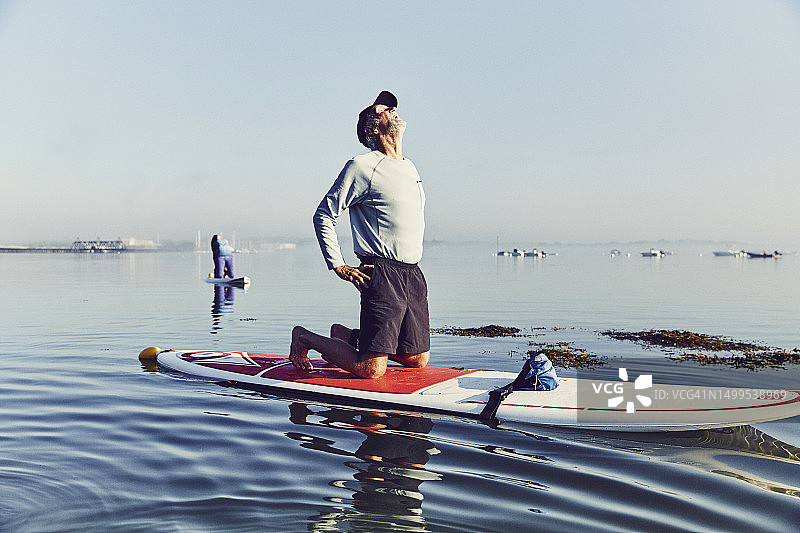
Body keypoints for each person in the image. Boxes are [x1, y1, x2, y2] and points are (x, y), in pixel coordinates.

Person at [289, 91, 430, 379]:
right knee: (372, 369)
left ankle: (348, 337)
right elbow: (324, 214)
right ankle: (304, 337)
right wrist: (338, 264)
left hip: (412, 273)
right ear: (371, 129)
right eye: (383, 109)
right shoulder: (362, 166)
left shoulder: (410, 167)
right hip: (382, 272)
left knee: (417, 359)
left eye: (393, 107)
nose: (393, 110)